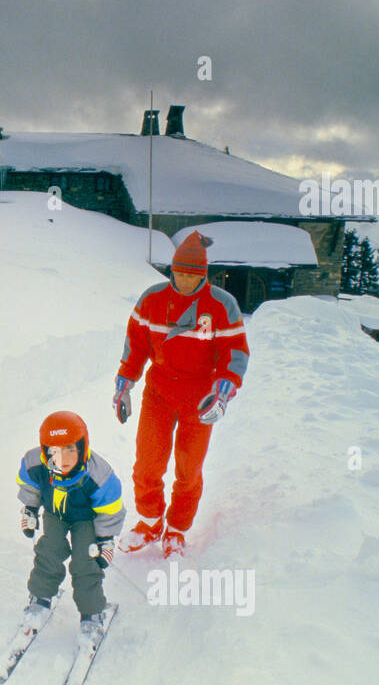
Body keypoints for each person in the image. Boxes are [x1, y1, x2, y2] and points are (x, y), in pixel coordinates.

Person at [112, 232, 249, 558]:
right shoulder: (151, 300)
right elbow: (136, 347)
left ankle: (176, 530)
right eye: (180, 273)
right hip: (158, 392)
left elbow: (235, 353)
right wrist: (123, 385)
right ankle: (149, 522)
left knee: (188, 470)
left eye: (193, 275)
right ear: (172, 270)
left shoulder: (221, 305)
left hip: (199, 398)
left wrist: (222, 394)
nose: (185, 280)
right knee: (147, 464)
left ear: (204, 275)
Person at [16, 411, 126, 642]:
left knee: (85, 560)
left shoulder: (99, 474)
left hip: (86, 519)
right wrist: (30, 509)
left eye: (70, 449)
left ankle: (92, 611)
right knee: (49, 549)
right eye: (54, 451)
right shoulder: (35, 464)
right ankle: (40, 598)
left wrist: (105, 539)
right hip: (55, 514)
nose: (63, 458)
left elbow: (110, 507)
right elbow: (30, 487)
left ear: (82, 447)